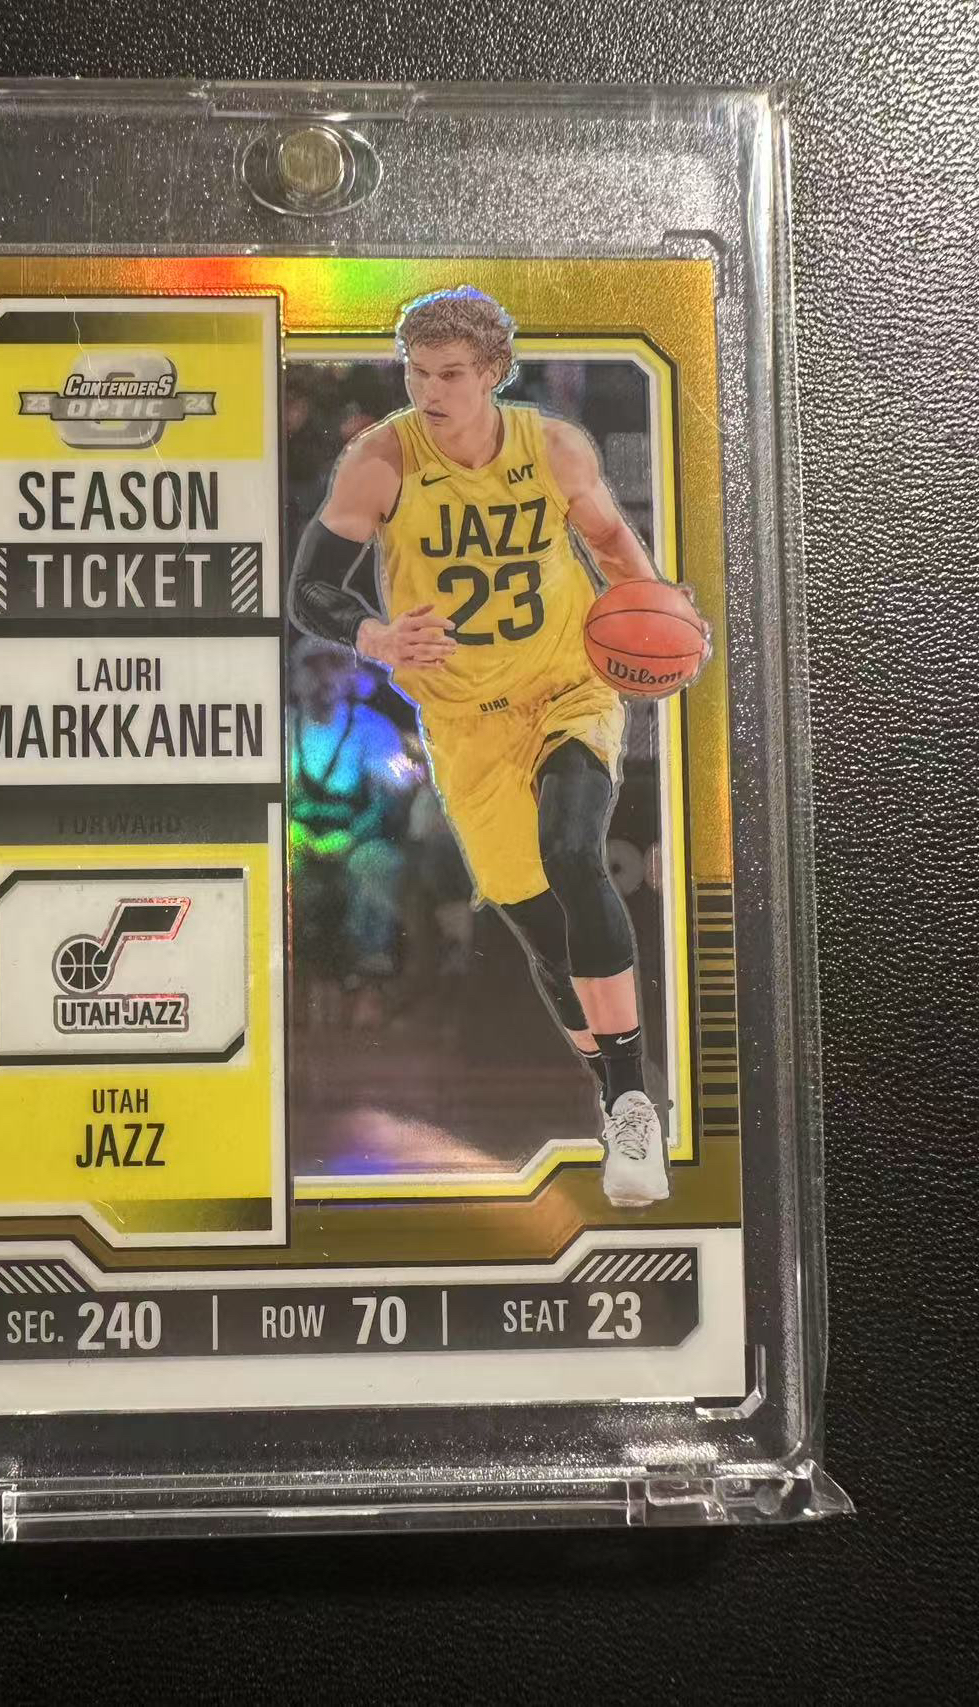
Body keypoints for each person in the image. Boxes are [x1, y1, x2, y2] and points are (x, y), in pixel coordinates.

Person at [288, 285, 708, 1207]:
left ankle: (631, 1104)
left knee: (572, 849)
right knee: (545, 937)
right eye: (416, 372)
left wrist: (654, 610)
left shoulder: (553, 448)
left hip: (566, 686)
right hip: (464, 724)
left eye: (449, 374)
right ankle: (619, 1087)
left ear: (492, 375)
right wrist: (374, 636)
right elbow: (310, 589)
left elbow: (609, 540)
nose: (428, 390)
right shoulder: (381, 461)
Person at [288, 638, 413, 1025]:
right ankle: (290, 984)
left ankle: (368, 983)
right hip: (295, 842)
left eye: (335, 665)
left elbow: (393, 796)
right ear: (294, 677)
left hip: (357, 841)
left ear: (351, 676)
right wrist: (293, 833)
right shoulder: (278, 728)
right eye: (313, 666)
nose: (324, 677)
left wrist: (351, 838)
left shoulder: (373, 730)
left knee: (375, 864)